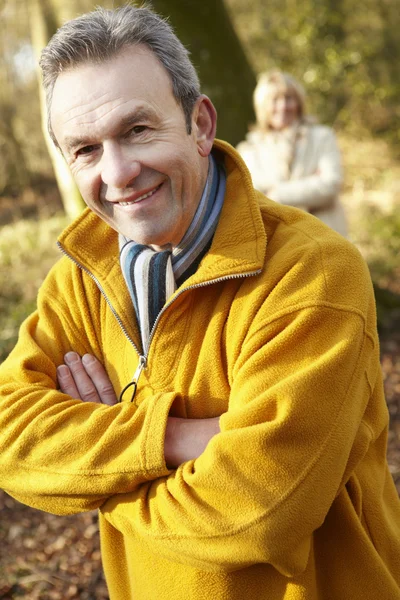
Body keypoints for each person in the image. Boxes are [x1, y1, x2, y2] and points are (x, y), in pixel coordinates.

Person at [0, 5, 399, 600]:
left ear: (200, 124)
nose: (119, 171)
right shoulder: (79, 280)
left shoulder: (313, 272)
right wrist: (170, 437)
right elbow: (10, 437)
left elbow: (259, 511)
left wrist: (98, 475)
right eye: (85, 149)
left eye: (137, 130)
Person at [237, 70, 348, 236]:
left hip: (326, 237)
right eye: (274, 100)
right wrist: (310, 186)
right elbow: (252, 201)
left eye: (288, 98)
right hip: (278, 242)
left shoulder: (322, 137)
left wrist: (277, 194)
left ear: (298, 102)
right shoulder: (249, 151)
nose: (283, 106)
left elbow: (331, 184)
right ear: (262, 106)